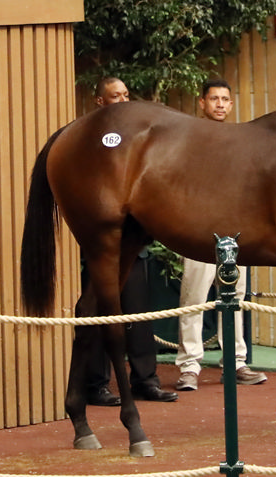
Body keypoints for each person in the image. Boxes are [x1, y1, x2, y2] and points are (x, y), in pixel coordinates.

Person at [83, 77, 178, 404]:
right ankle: (96, 384)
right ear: (100, 102)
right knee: (100, 309)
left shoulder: (137, 136)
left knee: (138, 313)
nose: (123, 101)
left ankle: (145, 380)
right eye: (115, 96)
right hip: (102, 241)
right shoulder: (89, 136)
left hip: (135, 242)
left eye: (126, 95)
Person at [175, 79, 267, 391]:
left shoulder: (241, 138)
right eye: (214, 98)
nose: (220, 104)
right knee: (194, 299)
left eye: (225, 99)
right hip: (198, 232)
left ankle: (236, 363)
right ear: (202, 103)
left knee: (236, 298)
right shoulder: (189, 137)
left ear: (231, 104)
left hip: (233, 234)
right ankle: (189, 367)